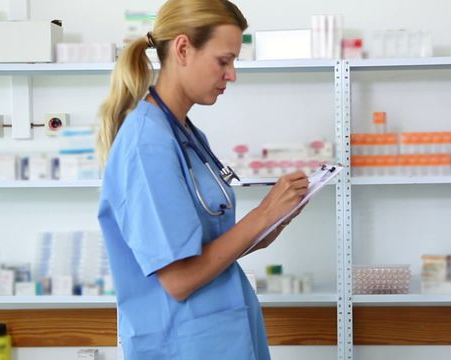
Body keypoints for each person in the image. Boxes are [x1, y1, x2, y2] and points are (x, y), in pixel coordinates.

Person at [96, 0, 309, 359]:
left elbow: (208, 247)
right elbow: (179, 279)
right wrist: (263, 215)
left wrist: (274, 221)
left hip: (220, 336)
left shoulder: (185, 134)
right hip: (184, 344)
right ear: (183, 49)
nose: (232, 74)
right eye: (223, 60)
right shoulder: (147, 143)